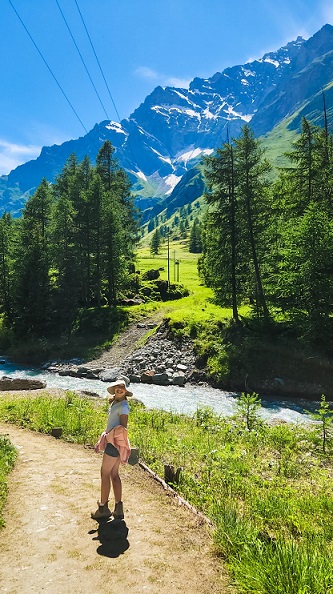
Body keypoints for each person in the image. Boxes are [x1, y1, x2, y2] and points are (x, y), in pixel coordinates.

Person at [91, 376, 132, 521]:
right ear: (115, 389)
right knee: (114, 474)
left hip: (113, 443)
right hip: (114, 442)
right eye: (117, 386)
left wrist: (110, 439)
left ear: (126, 391)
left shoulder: (124, 407)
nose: (119, 388)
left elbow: (122, 429)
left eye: (122, 387)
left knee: (104, 473)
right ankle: (118, 509)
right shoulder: (116, 402)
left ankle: (103, 508)